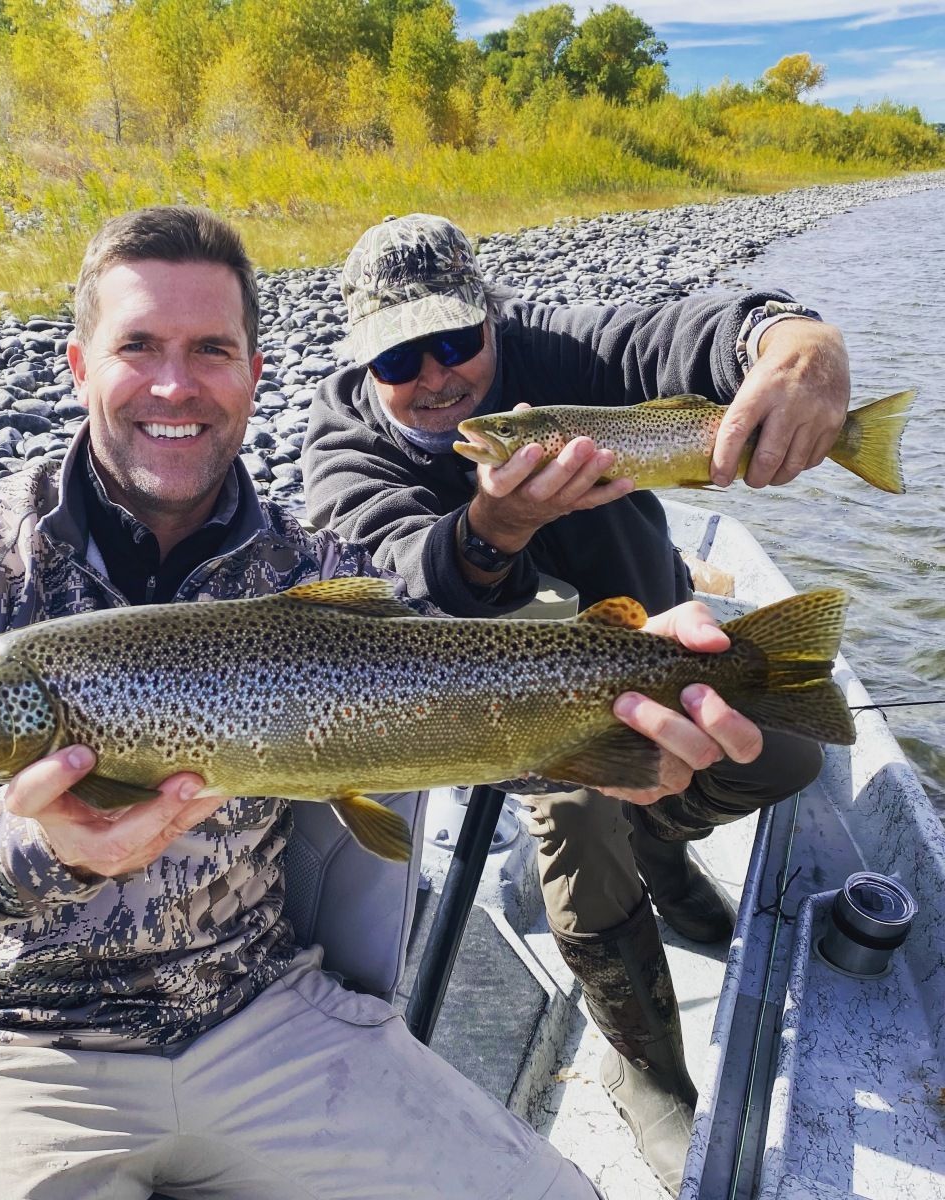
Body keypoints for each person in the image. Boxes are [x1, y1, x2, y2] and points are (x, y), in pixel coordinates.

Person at [0, 205, 765, 1200]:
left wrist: (626, 715)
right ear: (80, 366)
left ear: (255, 373)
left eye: (212, 350)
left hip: (262, 1019)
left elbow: (447, 708)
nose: (175, 384)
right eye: (138, 346)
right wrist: (36, 847)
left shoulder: (313, 568)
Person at [302, 213, 844, 1194]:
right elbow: (402, 588)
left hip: (656, 649)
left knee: (795, 757)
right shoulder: (346, 454)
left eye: (457, 341)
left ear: (491, 322)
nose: (436, 374)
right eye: (397, 355)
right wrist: (494, 527)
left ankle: (665, 848)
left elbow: (672, 335)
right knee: (588, 814)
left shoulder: (553, 354)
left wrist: (793, 341)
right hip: (497, 710)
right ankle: (641, 1065)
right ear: (361, 361)